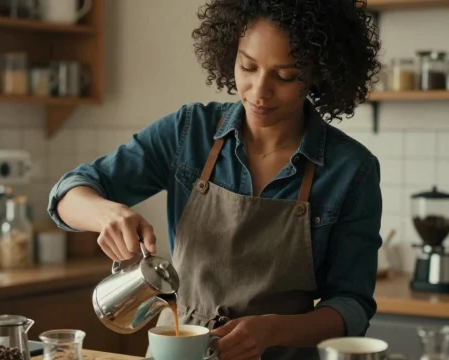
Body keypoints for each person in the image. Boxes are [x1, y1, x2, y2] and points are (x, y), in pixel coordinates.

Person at [47, 0, 382, 359]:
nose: (258, 90)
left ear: (319, 72)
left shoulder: (351, 168)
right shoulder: (189, 132)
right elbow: (67, 194)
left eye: (285, 76)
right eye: (247, 66)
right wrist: (107, 215)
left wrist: (274, 329)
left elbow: (352, 305)